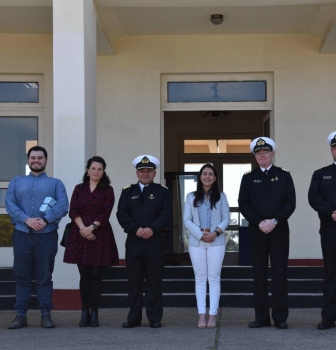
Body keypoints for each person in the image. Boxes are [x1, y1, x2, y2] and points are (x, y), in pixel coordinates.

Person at [5, 146, 68, 329]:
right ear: (28, 160)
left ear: (46, 161)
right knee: (22, 276)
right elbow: (10, 204)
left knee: (44, 276)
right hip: (23, 235)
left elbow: (63, 206)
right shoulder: (16, 182)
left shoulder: (56, 184)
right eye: (33, 158)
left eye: (40, 158)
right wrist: (27, 220)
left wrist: (45, 220)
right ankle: (20, 315)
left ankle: (46, 315)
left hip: (46, 236)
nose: (36, 161)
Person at [238, 137, 296, 330]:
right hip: (257, 231)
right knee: (259, 274)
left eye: (265, 152)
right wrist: (259, 221)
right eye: (258, 153)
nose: (262, 155)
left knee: (280, 273)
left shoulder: (284, 176)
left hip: (278, 230)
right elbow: (243, 204)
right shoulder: (248, 177)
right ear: (255, 156)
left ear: (272, 154)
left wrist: (274, 221)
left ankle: (280, 317)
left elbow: (290, 203)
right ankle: (262, 317)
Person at [116, 155, 172, 329]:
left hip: (155, 241)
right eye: (142, 171)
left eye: (149, 171)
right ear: (137, 173)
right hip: (134, 241)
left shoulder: (163, 191)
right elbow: (121, 214)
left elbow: (167, 215)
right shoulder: (127, 192)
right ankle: (133, 318)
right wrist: (136, 229)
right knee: (134, 281)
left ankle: (154, 318)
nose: (145, 174)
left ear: (154, 173)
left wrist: (152, 229)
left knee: (154, 281)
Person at [64, 156, 119, 327]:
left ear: (103, 172)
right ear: (88, 170)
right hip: (80, 235)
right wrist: (83, 229)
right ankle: (84, 312)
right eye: (93, 168)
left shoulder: (107, 190)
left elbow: (106, 212)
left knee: (96, 275)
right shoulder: (79, 189)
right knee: (84, 275)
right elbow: (72, 210)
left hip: (99, 234)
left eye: (100, 169)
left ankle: (94, 312)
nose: (96, 171)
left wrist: (92, 228)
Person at [183, 163, 230, 329]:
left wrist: (215, 233)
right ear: (200, 177)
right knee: (201, 279)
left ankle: (212, 315)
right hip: (197, 241)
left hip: (216, 241)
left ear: (215, 178)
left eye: (211, 174)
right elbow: (187, 220)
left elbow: (226, 218)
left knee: (214, 279)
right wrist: (200, 234)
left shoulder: (221, 196)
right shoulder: (191, 197)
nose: (207, 176)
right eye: (204, 174)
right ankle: (201, 314)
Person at [308, 131, 336, 330]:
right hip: (330, 229)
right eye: (335, 147)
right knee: (331, 273)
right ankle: (329, 317)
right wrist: (332, 212)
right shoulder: (321, 174)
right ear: (331, 150)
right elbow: (313, 197)